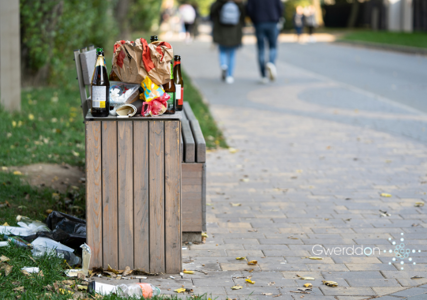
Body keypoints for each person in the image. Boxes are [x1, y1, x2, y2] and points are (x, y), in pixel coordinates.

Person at [246, 0, 283, 83]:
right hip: (272, 22)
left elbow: (249, 9)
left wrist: (254, 20)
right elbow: (280, 7)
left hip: (259, 23)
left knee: (261, 49)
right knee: (273, 47)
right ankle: (271, 63)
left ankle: (263, 76)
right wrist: (277, 17)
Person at [210, 0, 245, 84]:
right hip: (234, 32)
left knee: (222, 51)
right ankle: (230, 75)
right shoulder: (238, 3)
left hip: (221, 31)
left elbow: (212, 13)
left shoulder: (220, 3)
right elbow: (243, 16)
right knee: (232, 54)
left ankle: (223, 65)